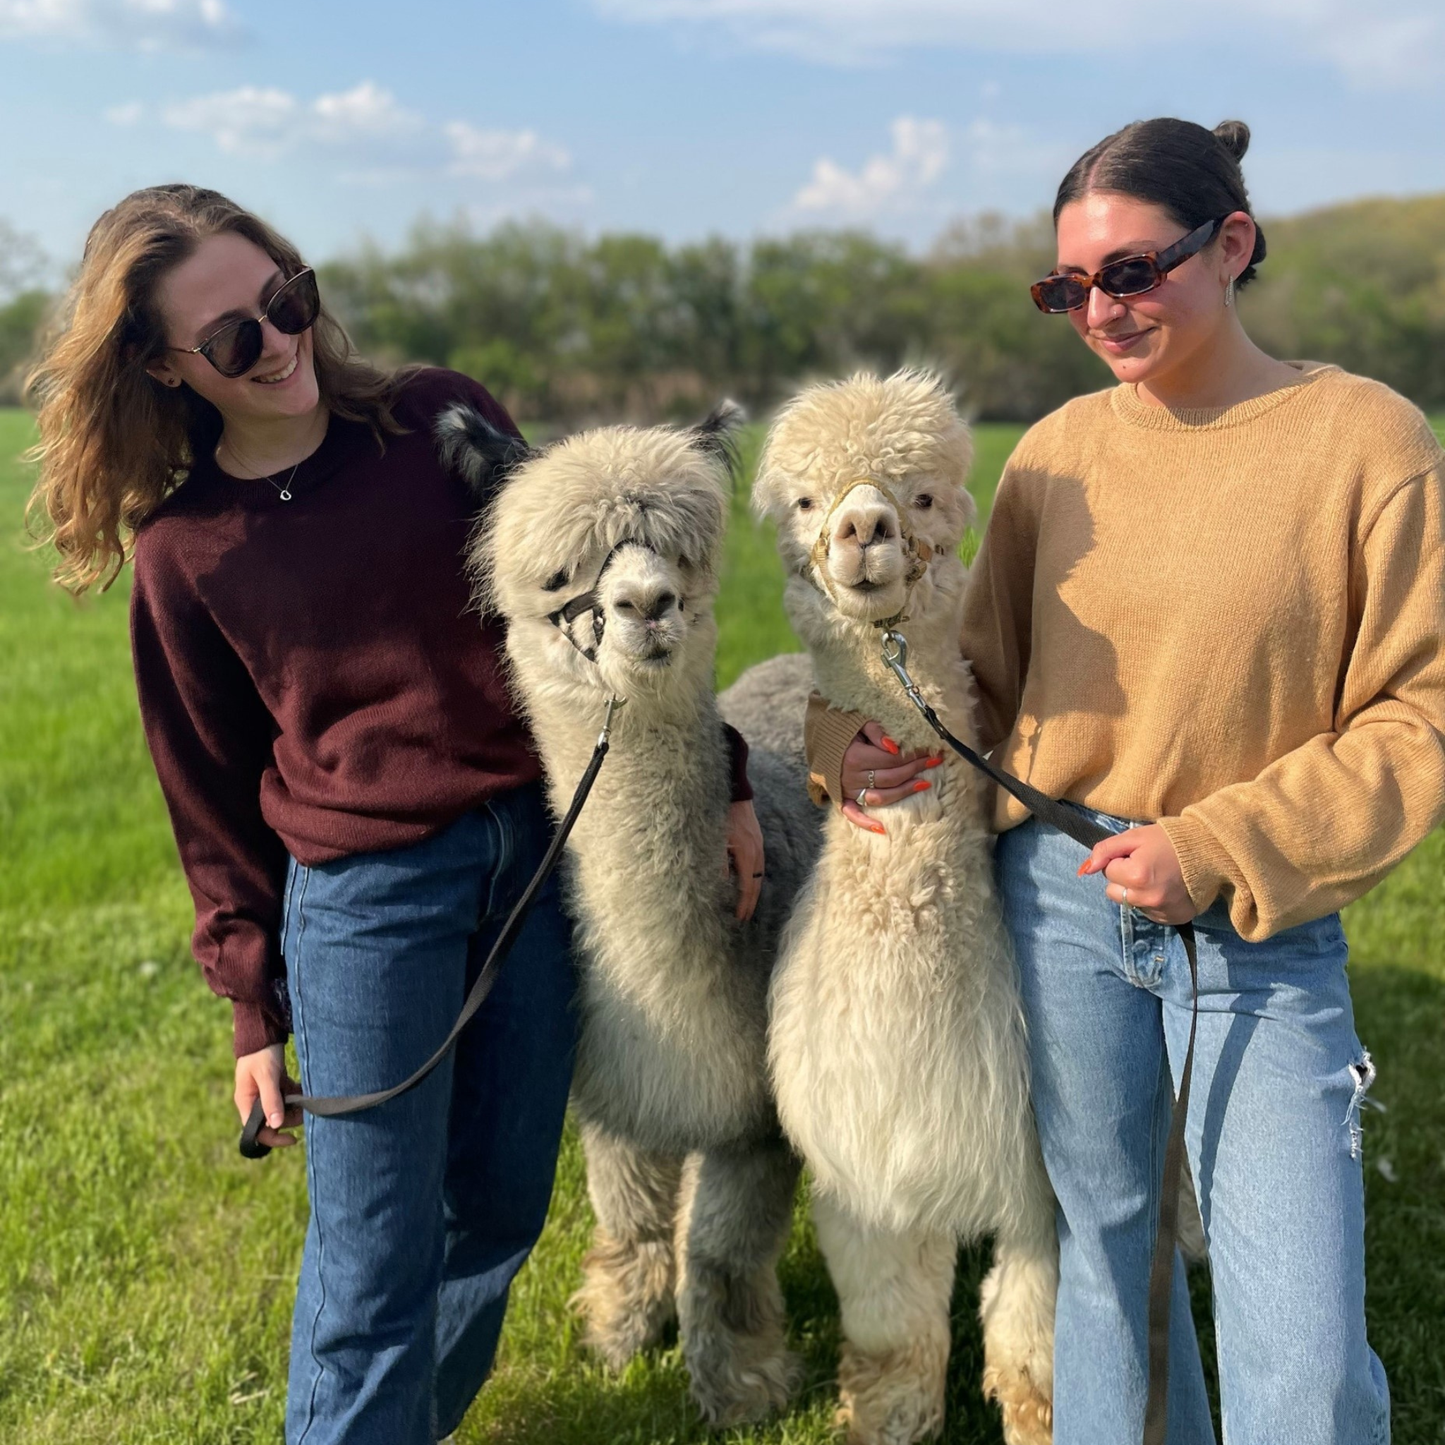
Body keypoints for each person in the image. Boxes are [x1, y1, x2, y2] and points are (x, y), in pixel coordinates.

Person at [26, 183, 764, 1445]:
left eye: (287, 300)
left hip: (535, 860)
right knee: (372, 1263)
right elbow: (205, 789)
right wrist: (255, 1006)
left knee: (497, 1208)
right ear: (159, 364)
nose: (281, 341)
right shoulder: (189, 551)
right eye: (234, 338)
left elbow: (583, 612)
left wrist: (726, 775)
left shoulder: (437, 421)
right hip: (370, 898)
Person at [805, 119, 1444, 1443]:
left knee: (1304, 1350)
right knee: (1107, 1267)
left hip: (1256, 916)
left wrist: (1214, 844)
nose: (1099, 309)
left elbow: (1416, 713)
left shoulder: (1364, 443)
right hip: (1057, 897)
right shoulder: (1054, 456)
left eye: (1130, 272)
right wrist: (832, 742)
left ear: (1233, 244)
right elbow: (960, 672)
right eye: (1068, 287)